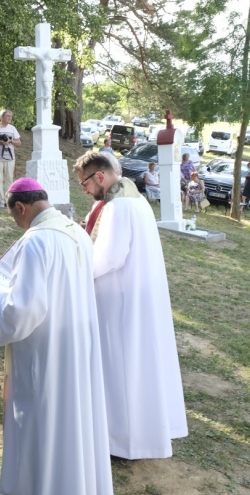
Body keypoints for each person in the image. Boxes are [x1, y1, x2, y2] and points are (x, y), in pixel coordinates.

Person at [0, 177, 115, 495]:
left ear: (21, 207)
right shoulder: (76, 232)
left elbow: (24, 309)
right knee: (73, 424)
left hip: (46, 351)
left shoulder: (35, 240)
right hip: (76, 344)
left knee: (41, 425)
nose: (16, 223)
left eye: (14, 216)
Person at [75, 152, 188, 461]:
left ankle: (123, 443)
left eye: (84, 183)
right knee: (138, 367)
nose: (84, 190)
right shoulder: (135, 199)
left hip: (120, 301)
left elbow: (108, 258)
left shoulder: (118, 207)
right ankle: (137, 436)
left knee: (121, 369)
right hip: (138, 294)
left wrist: (75, 269)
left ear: (100, 176)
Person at [0, 109, 22, 207]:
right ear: (1, 117)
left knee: (9, 179)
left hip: (10, 158)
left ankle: (8, 199)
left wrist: (11, 141)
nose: (10, 118)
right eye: (8, 116)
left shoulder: (12, 128)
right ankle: (1, 200)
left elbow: (19, 143)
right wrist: (0, 142)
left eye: (11, 116)